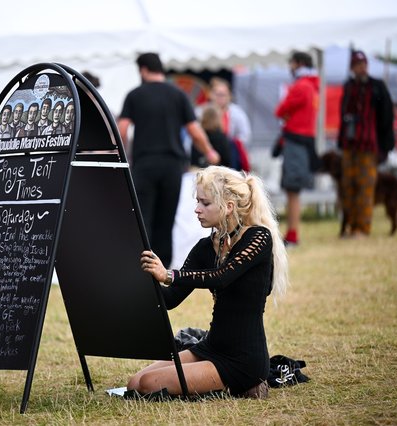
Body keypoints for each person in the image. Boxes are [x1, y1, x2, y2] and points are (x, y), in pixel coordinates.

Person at [128, 166, 289, 398]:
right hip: (211, 347)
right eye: (197, 202)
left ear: (228, 207)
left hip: (242, 359)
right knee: (135, 383)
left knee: (149, 384)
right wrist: (136, 278)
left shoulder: (258, 238)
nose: (197, 209)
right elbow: (171, 298)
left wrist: (169, 274)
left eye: (205, 203)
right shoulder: (205, 247)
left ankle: (246, 385)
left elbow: (223, 277)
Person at [118, 52, 220, 268]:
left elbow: (122, 129)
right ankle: (162, 268)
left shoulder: (135, 95)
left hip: (144, 165)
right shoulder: (178, 95)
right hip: (172, 166)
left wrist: (120, 155)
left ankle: (141, 268)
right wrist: (210, 152)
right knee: (166, 219)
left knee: (142, 218)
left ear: (143, 70)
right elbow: (194, 130)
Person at [337, 50, 394, 238]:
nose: (362, 68)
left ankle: (362, 228)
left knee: (365, 188)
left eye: (364, 64)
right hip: (349, 146)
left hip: (369, 146)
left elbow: (387, 117)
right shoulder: (349, 87)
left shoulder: (377, 87)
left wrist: (385, 146)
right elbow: (342, 116)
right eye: (358, 64)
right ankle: (351, 226)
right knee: (348, 187)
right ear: (352, 67)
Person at [274, 51, 320, 246]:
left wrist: (285, 116)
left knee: (292, 190)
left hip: (295, 143)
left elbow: (279, 111)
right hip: (304, 142)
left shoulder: (300, 86)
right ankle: (292, 233)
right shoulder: (313, 86)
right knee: (294, 191)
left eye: (291, 63)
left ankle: (293, 235)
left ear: (299, 63)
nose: (289, 67)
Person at [208, 77, 251, 171]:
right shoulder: (204, 112)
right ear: (211, 95)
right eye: (217, 94)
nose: (220, 98)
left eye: (223, 94)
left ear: (229, 96)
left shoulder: (238, 113)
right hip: (209, 156)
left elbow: (245, 136)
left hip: (231, 158)